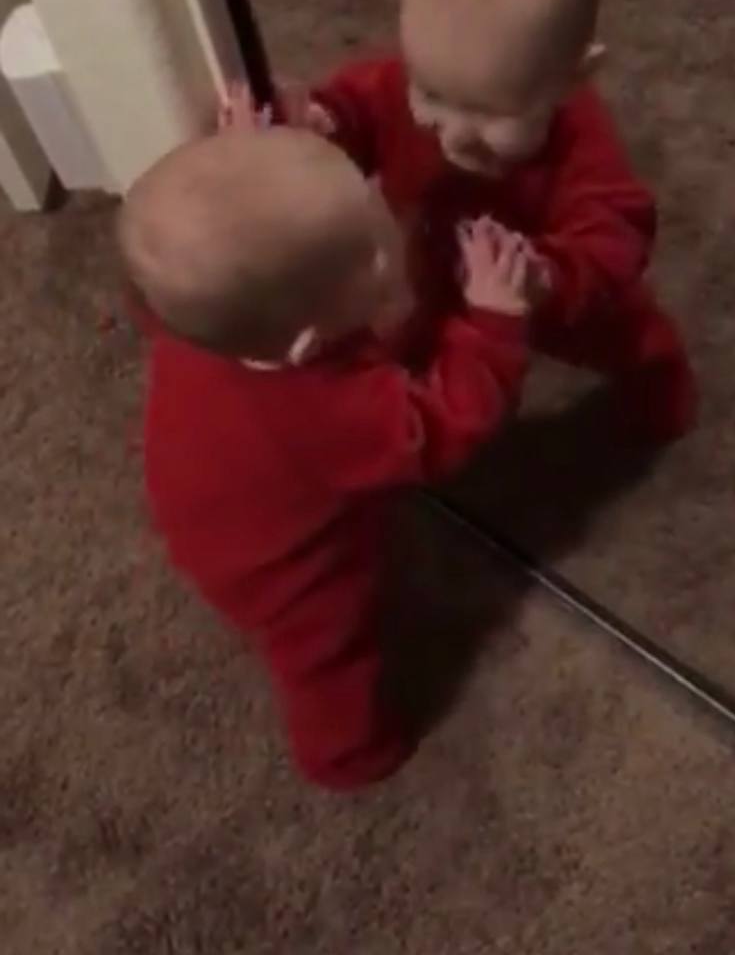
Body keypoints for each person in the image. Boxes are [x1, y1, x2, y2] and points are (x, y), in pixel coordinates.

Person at [119, 125, 534, 789]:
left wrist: (252, 151)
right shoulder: (331, 410)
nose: (389, 226)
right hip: (287, 576)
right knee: (328, 658)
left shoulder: (197, 319)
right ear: (310, 343)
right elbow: (444, 429)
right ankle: (343, 756)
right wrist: (492, 322)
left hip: (206, 510)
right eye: (375, 250)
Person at [290, 0, 697, 443]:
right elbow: (359, 104)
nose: (452, 131)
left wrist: (544, 278)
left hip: (543, 287)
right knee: (414, 324)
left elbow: (618, 230)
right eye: (430, 93)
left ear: (572, 79)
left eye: (487, 112)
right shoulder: (405, 77)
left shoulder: (581, 143)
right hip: (428, 255)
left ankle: (659, 373)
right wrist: (324, 122)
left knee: (623, 333)